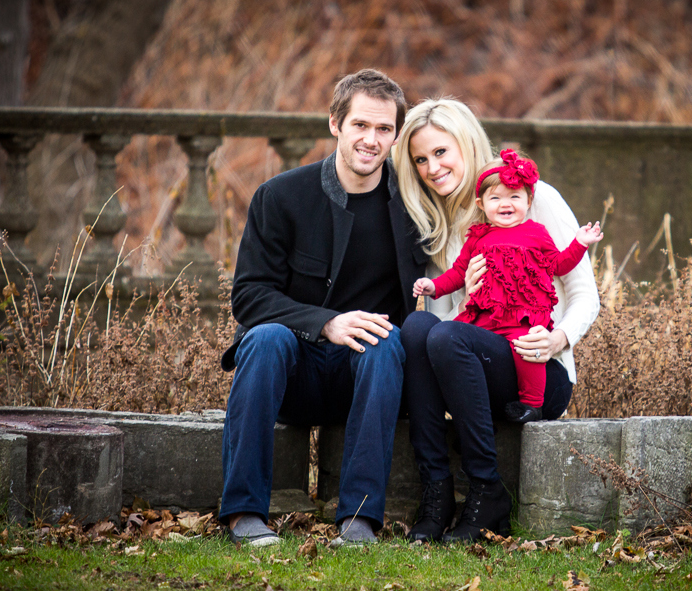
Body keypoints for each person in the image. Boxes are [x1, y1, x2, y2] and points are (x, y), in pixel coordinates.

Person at [218, 69, 427, 547]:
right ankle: (244, 513)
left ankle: (358, 519)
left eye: (383, 129)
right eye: (360, 125)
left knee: (387, 339)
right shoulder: (282, 196)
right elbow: (249, 296)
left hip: (371, 377)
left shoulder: (414, 206)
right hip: (291, 370)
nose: (371, 140)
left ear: (395, 136)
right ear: (335, 124)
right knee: (265, 336)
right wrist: (326, 323)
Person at [392, 98, 601, 543]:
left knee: (442, 334)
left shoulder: (531, 197)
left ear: (466, 143)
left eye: (441, 151)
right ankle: (437, 491)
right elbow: (447, 331)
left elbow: (585, 293)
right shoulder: (441, 222)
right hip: (480, 364)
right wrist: (464, 285)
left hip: (538, 369)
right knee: (415, 329)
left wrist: (557, 340)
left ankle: (488, 492)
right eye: (421, 159)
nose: (432, 167)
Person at [412, 149, 603, 424]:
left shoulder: (537, 232)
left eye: (515, 197)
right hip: (485, 318)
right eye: (496, 198)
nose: (506, 204)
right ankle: (471, 422)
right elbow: (458, 273)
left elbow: (559, 264)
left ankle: (531, 405)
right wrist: (433, 286)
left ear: (529, 200)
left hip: (521, 314)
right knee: (461, 348)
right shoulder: (477, 237)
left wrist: (579, 243)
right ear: (481, 204)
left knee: (527, 351)